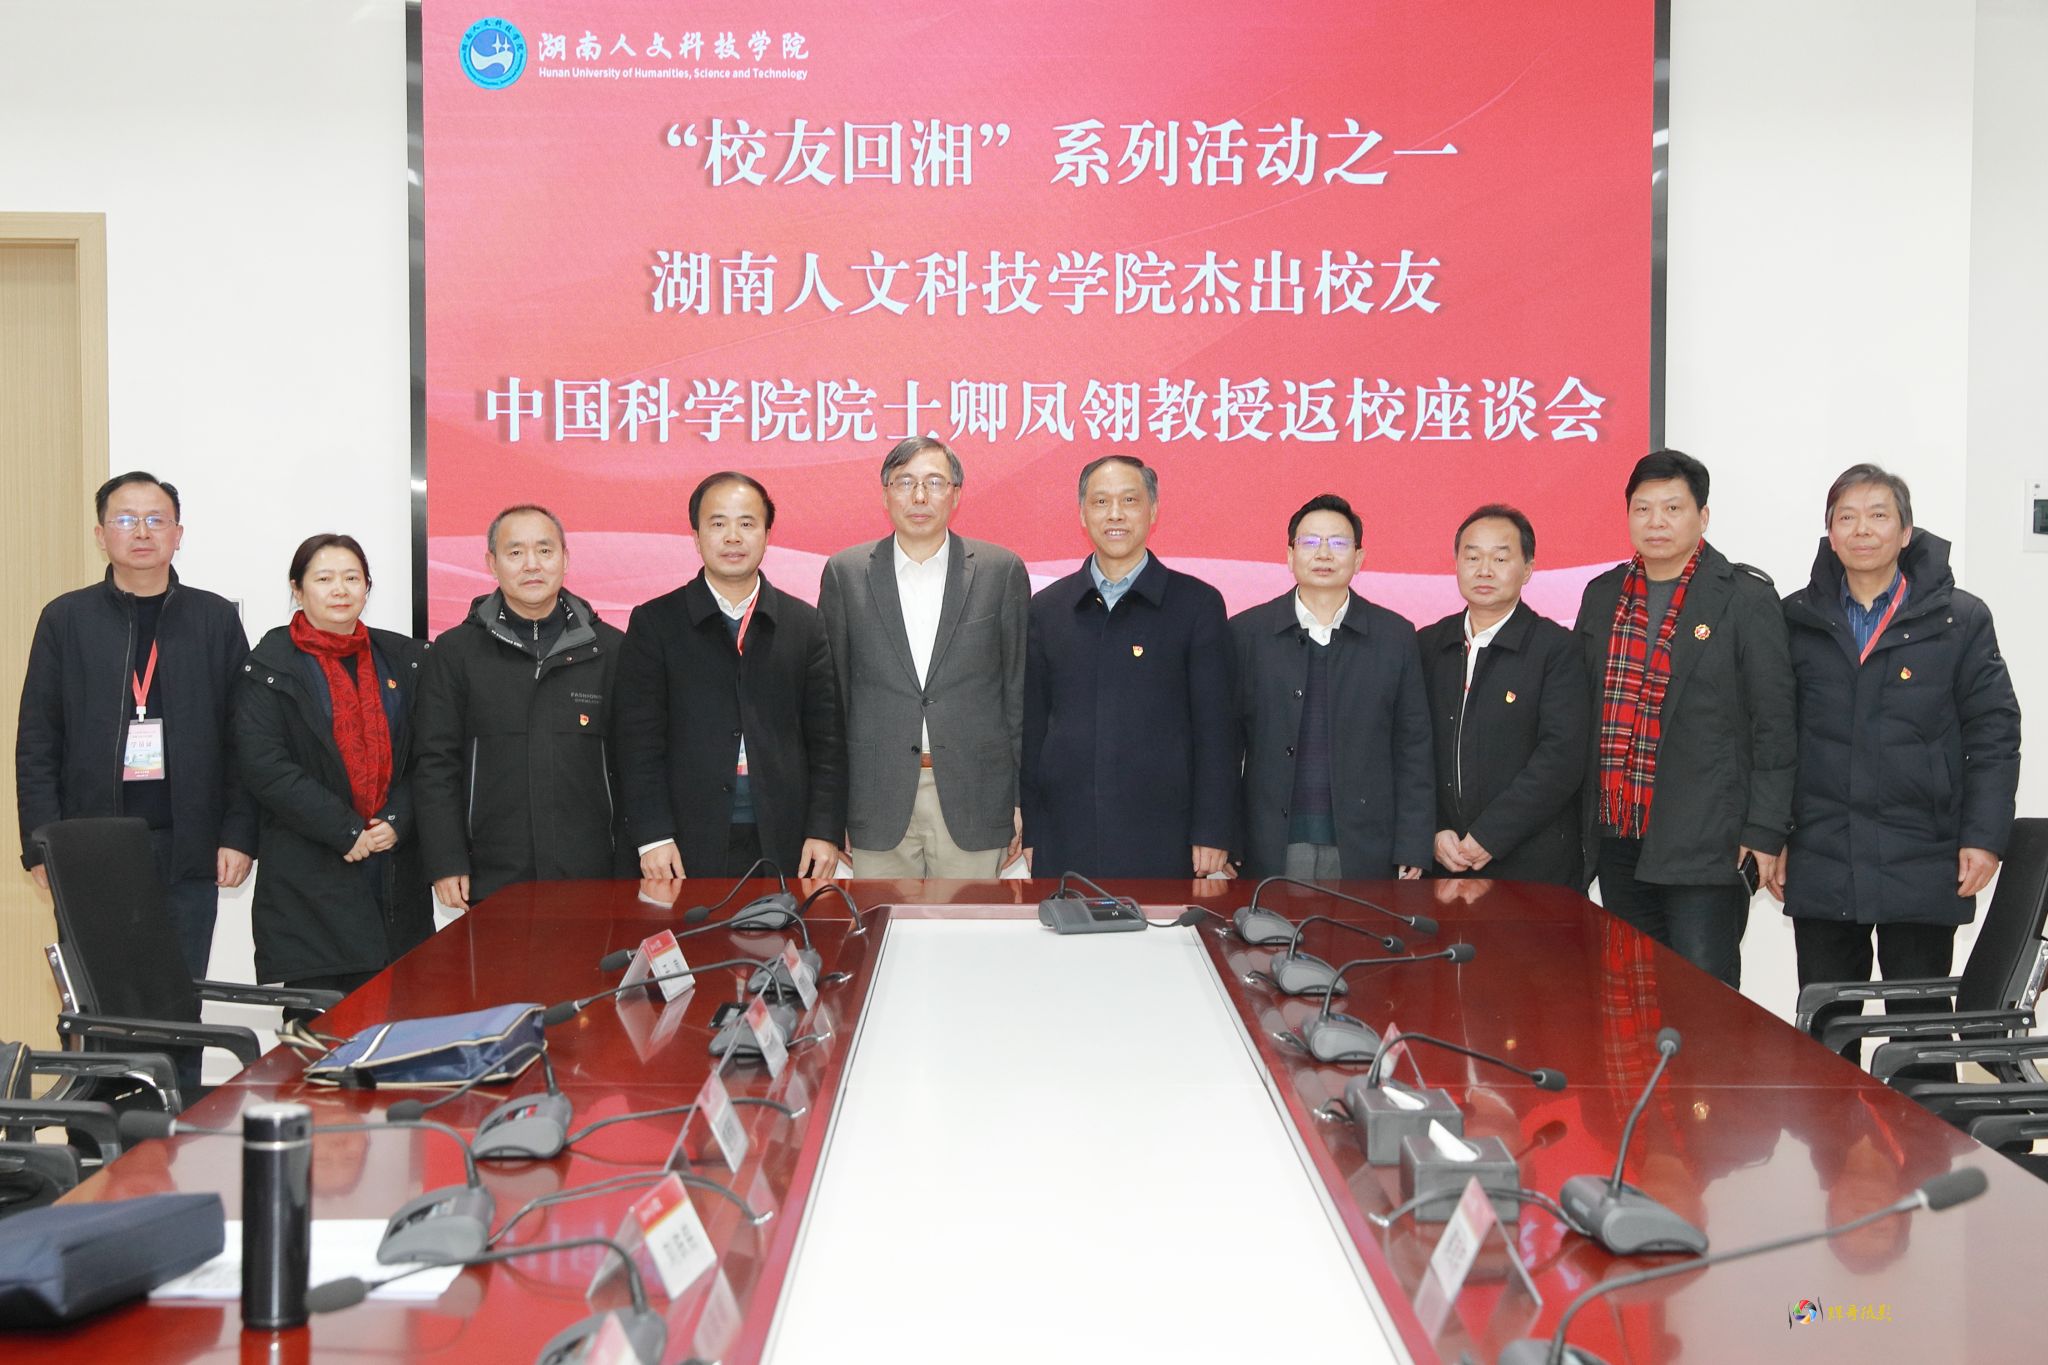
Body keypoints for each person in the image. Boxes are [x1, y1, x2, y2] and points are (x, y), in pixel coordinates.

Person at [1770, 464, 2021, 1054]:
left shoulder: (1959, 619)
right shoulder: (1795, 619)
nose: (1863, 529)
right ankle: (1831, 1120)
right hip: (1823, 848)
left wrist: (1984, 837)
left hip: (1925, 850)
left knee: (1922, 1032)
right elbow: (1773, 737)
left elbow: (1993, 732)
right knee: (1826, 1032)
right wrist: (1770, 834)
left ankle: (1927, 1120)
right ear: (1830, 534)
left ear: (1906, 532)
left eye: (1879, 515)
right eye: (1847, 517)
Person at [17, 472, 255, 979]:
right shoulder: (65, 619)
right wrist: (41, 845)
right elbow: (38, 741)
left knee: (179, 1000)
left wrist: (238, 834)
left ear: (178, 534)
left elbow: (243, 739)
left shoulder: (214, 619)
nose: (142, 532)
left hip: (188, 844)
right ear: (100, 535)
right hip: (89, 846)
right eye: (125, 520)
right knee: (99, 1002)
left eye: (156, 520)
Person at [1575, 449, 1795, 988]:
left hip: (1708, 841)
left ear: (1703, 516)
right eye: (1643, 508)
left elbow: (1775, 723)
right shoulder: (1602, 596)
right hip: (1620, 835)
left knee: (1703, 997)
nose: (1656, 522)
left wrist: (1765, 831)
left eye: (1672, 508)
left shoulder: (1744, 598)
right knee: (1632, 992)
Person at [617, 472, 846, 879]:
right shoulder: (656, 623)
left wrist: (824, 831)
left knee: (781, 924)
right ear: (696, 536)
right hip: (684, 840)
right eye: (718, 523)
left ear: (767, 535)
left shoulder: (804, 624)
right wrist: (653, 836)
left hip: (785, 836)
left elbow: (826, 741)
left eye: (747, 523)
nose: (733, 537)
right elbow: (637, 741)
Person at [818, 437, 1029, 876]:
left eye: (934, 482)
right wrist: (830, 810)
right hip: (874, 798)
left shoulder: (1000, 570)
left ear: (956, 494)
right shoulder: (845, 573)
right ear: (885, 494)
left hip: (976, 796)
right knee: (877, 919)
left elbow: (1017, 692)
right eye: (905, 482)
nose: (919, 496)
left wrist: (1020, 798)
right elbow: (832, 702)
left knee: (971, 920)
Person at [235, 535, 432, 998]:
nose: (340, 589)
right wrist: (346, 830)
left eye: (351, 578)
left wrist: (398, 819)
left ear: (367, 587)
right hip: (310, 875)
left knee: (401, 1015)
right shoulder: (269, 666)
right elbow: (265, 765)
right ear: (297, 589)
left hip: (392, 871)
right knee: (321, 1022)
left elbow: (430, 754)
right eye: (324, 579)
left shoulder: (406, 659)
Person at [1021, 456, 1234, 879]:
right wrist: (1033, 828)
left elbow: (1216, 732)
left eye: (1129, 500)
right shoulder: (1048, 609)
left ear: (1153, 511)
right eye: (1100, 501)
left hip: (1165, 834)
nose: (1115, 514)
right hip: (1066, 831)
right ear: (1082, 514)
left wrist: (1212, 830)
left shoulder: (1196, 605)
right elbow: (1033, 729)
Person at [412, 505, 630, 910]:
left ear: (565, 559)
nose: (532, 564)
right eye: (515, 552)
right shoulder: (455, 652)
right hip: (491, 872)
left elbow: (634, 764)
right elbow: (435, 763)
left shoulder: (611, 649)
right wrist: (445, 858)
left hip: (592, 871)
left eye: (545, 551)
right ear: (491, 563)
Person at [1232, 493, 1432, 880]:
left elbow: (1414, 748)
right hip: (1269, 844)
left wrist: (1413, 842)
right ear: (1290, 555)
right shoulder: (1246, 633)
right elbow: (1225, 746)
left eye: (1338, 543)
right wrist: (1227, 838)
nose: (1324, 553)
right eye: (1310, 542)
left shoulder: (1395, 637)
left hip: (1366, 846)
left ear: (1359, 558)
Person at [1417, 505, 1589, 885]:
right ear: (1456, 564)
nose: (1484, 570)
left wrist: (1490, 836)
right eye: (1472, 557)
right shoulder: (1427, 645)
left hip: (1533, 866)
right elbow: (1410, 749)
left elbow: (1561, 758)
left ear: (1527, 569)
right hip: (1443, 860)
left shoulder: (1556, 649)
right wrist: (1432, 828)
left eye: (1500, 558)